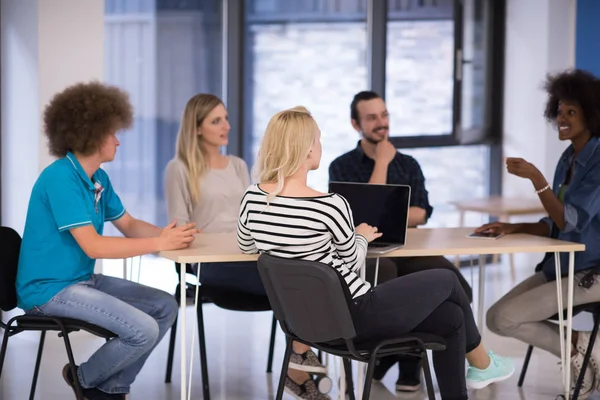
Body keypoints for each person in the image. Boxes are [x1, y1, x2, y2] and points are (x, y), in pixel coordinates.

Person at [237, 106, 514, 400]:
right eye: (317, 140)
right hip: (356, 317)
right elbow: (353, 263)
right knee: (447, 279)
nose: (320, 146)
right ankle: (483, 363)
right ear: (305, 149)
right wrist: (361, 236)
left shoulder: (252, 198)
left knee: (451, 317)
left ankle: (476, 373)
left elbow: (248, 246)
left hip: (306, 325)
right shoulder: (329, 205)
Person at [15, 82, 198, 400]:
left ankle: (109, 390)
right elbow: (95, 246)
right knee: (143, 329)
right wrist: (159, 244)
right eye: (112, 133)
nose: (117, 141)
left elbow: (128, 225)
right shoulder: (60, 178)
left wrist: (172, 236)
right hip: (47, 290)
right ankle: (83, 378)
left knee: (165, 306)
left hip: (81, 281)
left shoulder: (98, 178)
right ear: (90, 134)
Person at [164, 94, 328, 399]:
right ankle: (298, 364)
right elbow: (180, 226)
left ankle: (297, 360)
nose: (226, 125)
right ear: (196, 128)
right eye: (216, 121)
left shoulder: (237, 165)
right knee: (295, 282)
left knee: (304, 276)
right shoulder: (180, 168)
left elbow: (251, 214)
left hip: (249, 255)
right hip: (213, 264)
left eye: (226, 118)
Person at [328, 90, 473, 391]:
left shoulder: (408, 163)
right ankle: (397, 357)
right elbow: (354, 221)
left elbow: (421, 213)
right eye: (372, 118)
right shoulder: (341, 166)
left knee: (459, 286)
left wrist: (382, 215)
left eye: (384, 115)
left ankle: (402, 357)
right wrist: (381, 163)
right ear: (356, 125)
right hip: (365, 253)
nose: (381, 123)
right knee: (387, 280)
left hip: (409, 248)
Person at [481, 69, 600, 398]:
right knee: (495, 318)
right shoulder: (569, 158)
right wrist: (512, 227)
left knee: (506, 318)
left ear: (591, 115)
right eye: (560, 111)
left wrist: (537, 179)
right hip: (563, 266)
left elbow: (570, 222)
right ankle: (581, 348)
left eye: (571, 112)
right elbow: (554, 222)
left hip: (592, 271)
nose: (562, 118)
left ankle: (583, 352)